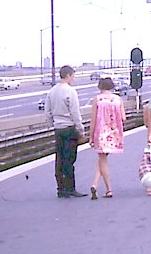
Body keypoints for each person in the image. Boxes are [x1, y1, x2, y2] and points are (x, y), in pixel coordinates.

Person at [45, 65, 87, 198]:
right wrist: (80, 129)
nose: (73, 79)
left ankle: (60, 188)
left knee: (60, 159)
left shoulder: (51, 91)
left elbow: (48, 112)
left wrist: (53, 124)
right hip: (69, 128)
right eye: (73, 76)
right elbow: (75, 112)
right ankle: (70, 188)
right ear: (68, 76)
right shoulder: (70, 91)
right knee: (69, 159)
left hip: (58, 129)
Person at [88, 77, 125, 199]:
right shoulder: (118, 99)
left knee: (102, 160)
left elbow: (93, 119)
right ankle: (95, 184)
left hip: (101, 133)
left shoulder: (97, 99)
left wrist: (91, 136)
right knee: (102, 160)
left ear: (100, 87)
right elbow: (123, 117)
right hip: (114, 133)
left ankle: (108, 189)